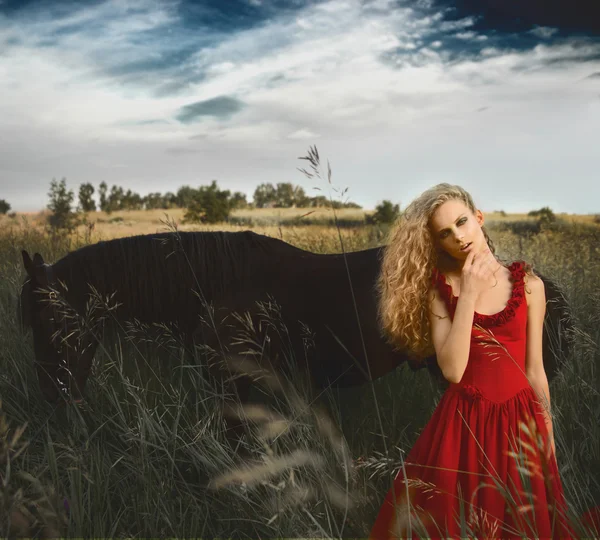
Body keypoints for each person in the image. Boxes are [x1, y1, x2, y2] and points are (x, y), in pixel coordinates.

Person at [369, 184, 573, 539]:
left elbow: (535, 372)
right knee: (459, 520)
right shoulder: (441, 290)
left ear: (478, 218)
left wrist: (547, 440)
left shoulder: (530, 286)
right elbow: (452, 370)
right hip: (465, 424)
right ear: (437, 242)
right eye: (445, 233)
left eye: (462, 222)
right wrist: (470, 292)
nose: (458, 237)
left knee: (521, 522)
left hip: (520, 420)